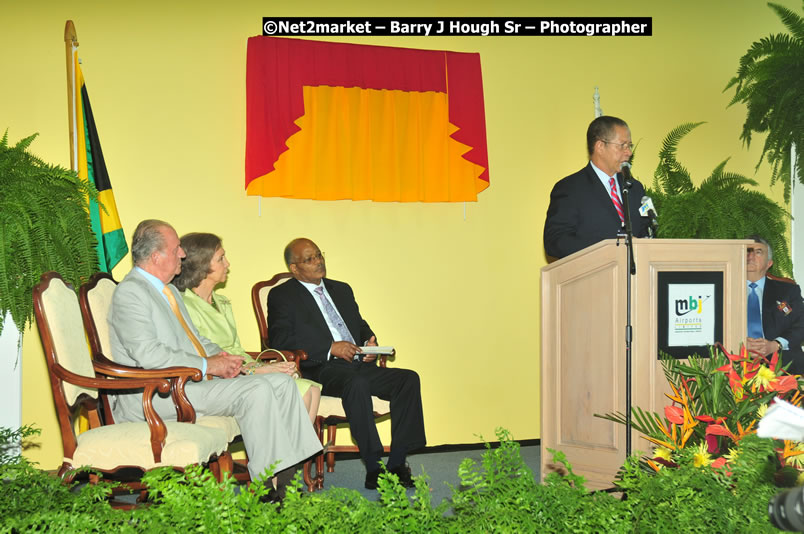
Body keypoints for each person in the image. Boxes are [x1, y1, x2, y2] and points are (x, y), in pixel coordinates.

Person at [107, 219, 322, 500]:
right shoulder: (131, 293)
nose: (182, 254)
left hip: (183, 386)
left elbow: (195, 340)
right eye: (176, 249)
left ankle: (285, 483)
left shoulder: (168, 290)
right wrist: (210, 365)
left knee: (280, 383)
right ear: (156, 256)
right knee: (257, 390)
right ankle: (264, 490)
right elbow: (149, 355)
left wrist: (228, 359)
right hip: (152, 395)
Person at [267, 238, 426, 490]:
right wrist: (330, 348)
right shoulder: (282, 296)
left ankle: (397, 463)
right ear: (294, 268)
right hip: (321, 368)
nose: (318, 261)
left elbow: (360, 325)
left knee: (407, 379)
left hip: (359, 363)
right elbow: (280, 339)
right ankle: (374, 466)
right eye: (310, 259)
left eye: (319, 255)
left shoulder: (341, 289)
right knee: (357, 383)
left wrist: (369, 343)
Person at [172, 232, 322, 423]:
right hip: (217, 378)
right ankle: (284, 450)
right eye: (221, 258)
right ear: (202, 265)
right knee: (298, 388)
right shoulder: (186, 306)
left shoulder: (222, 302)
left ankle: (297, 452)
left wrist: (264, 366)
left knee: (312, 389)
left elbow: (237, 349)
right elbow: (202, 354)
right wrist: (256, 370)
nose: (227, 264)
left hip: (240, 368)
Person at [543, 115, 651, 259]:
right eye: (622, 145)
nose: (629, 152)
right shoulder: (570, 189)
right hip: (593, 276)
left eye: (629, 145)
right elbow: (555, 241)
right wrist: (610, 248)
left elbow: (647, 232)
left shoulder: (634, 188)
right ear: (600, 146)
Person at [745, 235, 804, 374]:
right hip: (737, 365)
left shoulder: (787, 291)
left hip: (784, 367)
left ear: (769, 263)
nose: (751, 256)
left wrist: (775, 345)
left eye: (758, 252)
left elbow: (801, 324)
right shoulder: (725, 289)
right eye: (747, 251)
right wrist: (738, 343)